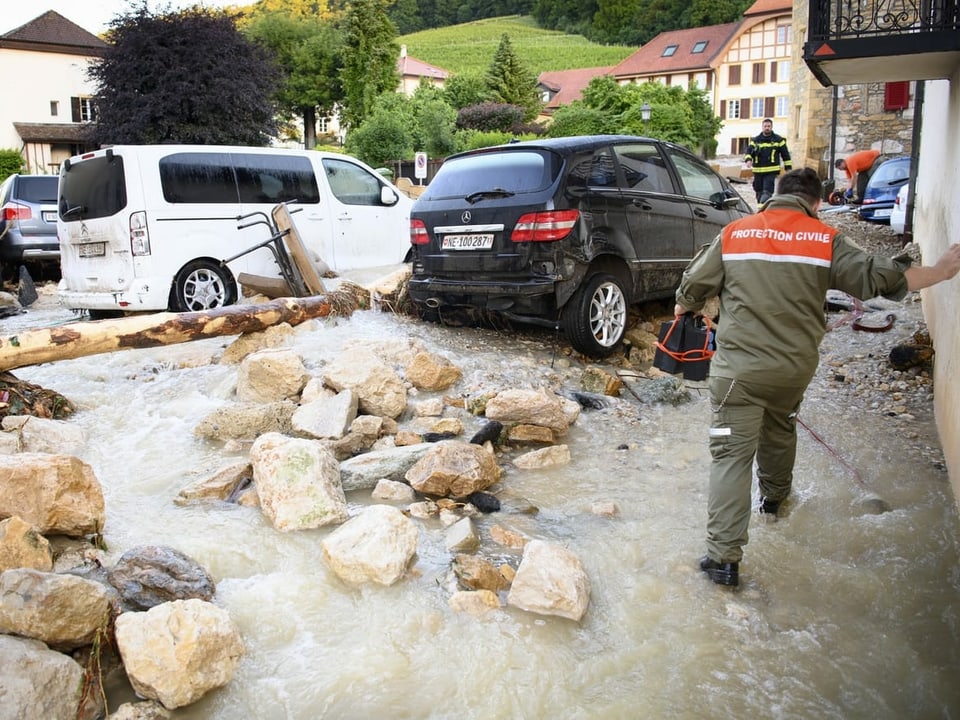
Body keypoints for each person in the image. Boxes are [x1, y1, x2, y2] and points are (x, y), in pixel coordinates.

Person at [673, 167, 960, 588]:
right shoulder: (825, 239)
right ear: (817, 202)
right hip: (792, 371)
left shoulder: (736, 232)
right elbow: (882, 277)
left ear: (773, 194)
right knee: (780, 428)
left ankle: (723, 560)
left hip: (737, 375)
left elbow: (694, 285)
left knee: (730, 455)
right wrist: (939, 271)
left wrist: (685, 307)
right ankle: (773, 502)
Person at [743, 118, 792, 204]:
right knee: (758, 192)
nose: (767, 128)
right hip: (758, 171)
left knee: (767, 192)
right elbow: (748, 152)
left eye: (769, 126)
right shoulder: (755, 140)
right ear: (762, 127)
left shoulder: (778, 140)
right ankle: (760, 211)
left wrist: (788, 169)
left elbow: (786, 155)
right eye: (765, 126)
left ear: (771, 127)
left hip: (771, 171)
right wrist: (748, 160)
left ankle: (763, 210)